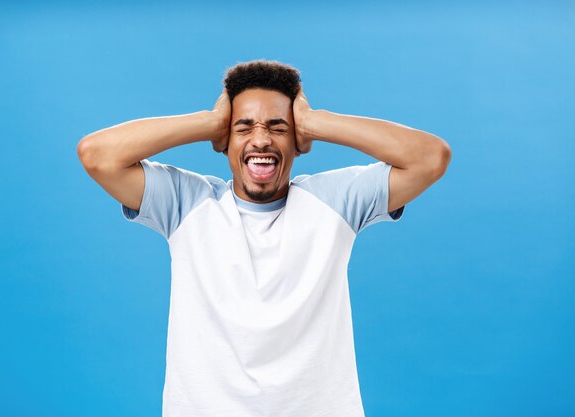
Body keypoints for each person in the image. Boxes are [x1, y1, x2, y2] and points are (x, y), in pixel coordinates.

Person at [77, 59, 452, 417]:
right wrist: (209, 122)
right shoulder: (185, 203)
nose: (260, 140)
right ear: (224, 140)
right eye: (243, 128)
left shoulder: (335, 200)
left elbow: (430, 157)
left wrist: (315, 121)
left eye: (278, 127)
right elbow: (97, 156)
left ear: (299, 142)